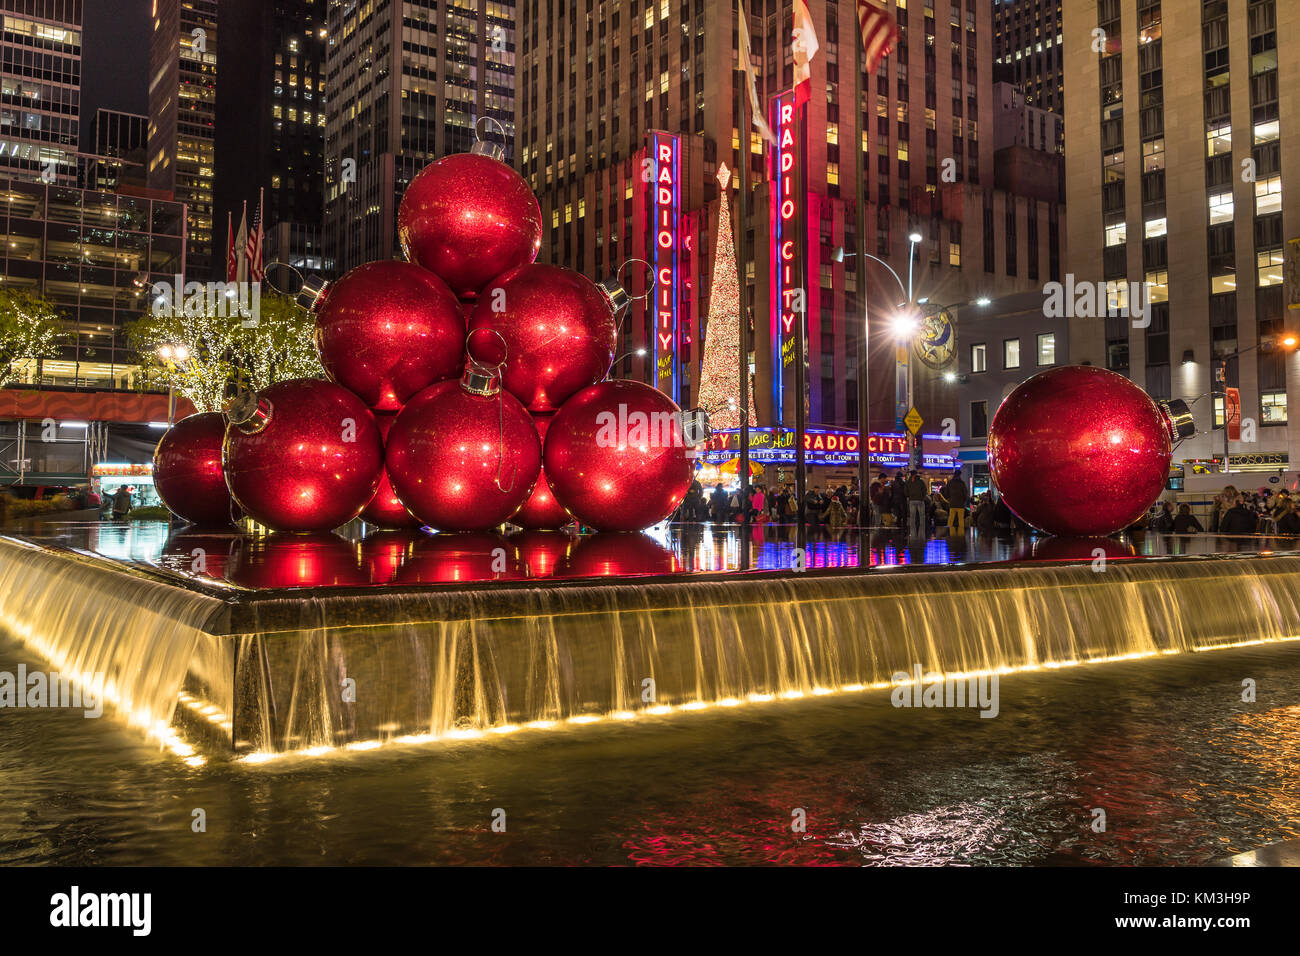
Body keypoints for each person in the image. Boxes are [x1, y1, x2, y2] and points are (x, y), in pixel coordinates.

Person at [942, 470, 968, 536]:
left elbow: (946, 493)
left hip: (952, 503)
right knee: (961, 520)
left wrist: (950, 499)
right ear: (959, 475)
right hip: (960, 504)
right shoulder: (962, 483)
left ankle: (951, 534)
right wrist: (963, 500)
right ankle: (961, 534)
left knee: (951, 519)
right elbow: (965, 493)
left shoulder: (950, 483)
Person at [904, 469, 927, 536]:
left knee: (912, 516)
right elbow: (924, 490)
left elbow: (905, 491)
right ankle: (922, 531)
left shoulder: (908, 482)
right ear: (916, 474)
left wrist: (909, 496)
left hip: (912, 500)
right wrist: (922, 497)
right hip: (920, 500)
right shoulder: (921, 481)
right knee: (921, 515)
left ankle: (913, 532)